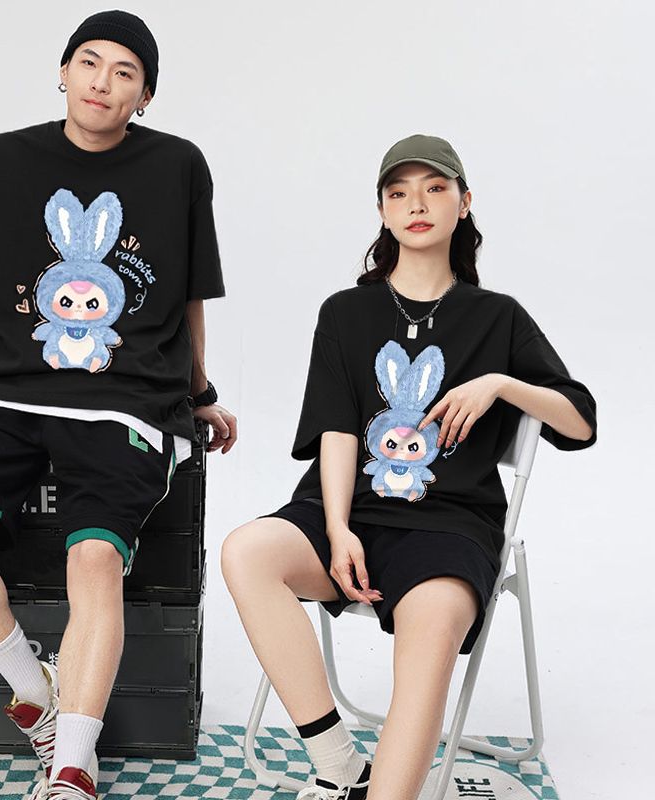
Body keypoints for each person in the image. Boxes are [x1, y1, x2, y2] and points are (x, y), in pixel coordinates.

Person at [0, 10, 237, 800]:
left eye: (125, 72)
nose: (102, 82)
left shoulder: (179, 166)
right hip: (14, 393)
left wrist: (201, 395)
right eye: (88, 62)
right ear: (62, 72)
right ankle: (36, 698)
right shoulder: (3, 159)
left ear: (144, 96)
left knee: (93, 558)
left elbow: (188, 297)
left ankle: (73, 766)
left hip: (131, 403)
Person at [222, 134, 595, 800]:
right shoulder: (346, 312)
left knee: (430, 630)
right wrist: (337, 529)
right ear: (383, 211)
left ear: (464, 202)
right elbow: (338, 430)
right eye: (398, 193)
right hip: (345, 512)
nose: (416, 204)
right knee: (246, 551)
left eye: (434, 188)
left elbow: (580, 422)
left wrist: (502, 384)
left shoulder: (497, 317)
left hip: (449, 529)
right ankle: (339, 766)